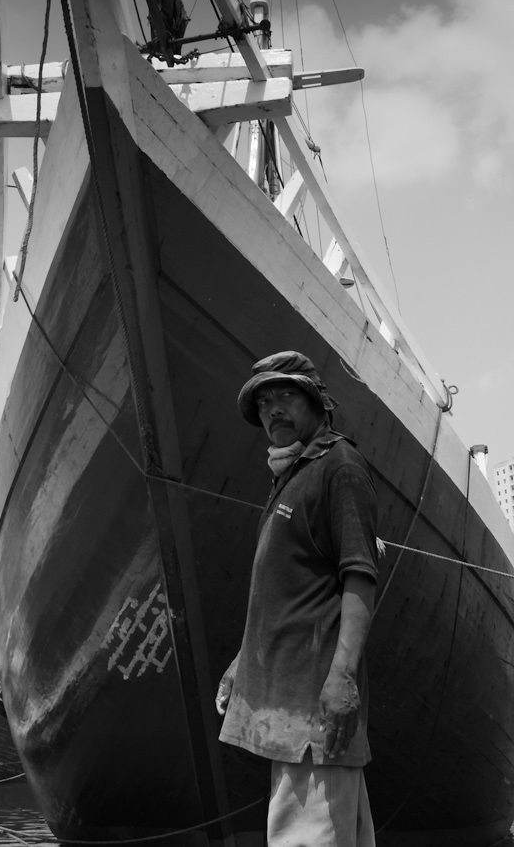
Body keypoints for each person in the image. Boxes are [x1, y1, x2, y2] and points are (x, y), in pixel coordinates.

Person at [218, 351, 379, 847]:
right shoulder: (293, 475)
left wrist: (342, 676)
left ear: (317, 403)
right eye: (264, 402)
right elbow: (286, 594)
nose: (273, 410)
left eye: (285, 395)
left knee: (304, 838)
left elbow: (360, 576)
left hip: (312, 711)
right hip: (290, 713)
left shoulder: (339, 467)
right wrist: (241, 665)